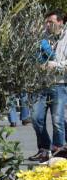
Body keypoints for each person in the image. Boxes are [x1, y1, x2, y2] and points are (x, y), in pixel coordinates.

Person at [32, 11, 67, 161]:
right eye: (46, 22)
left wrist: (54, 66)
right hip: (41, 84)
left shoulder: (65, 38)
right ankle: (44, 148)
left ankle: (58, 150)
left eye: (51, 22)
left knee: (57, 120)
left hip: (59, 84)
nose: (48, 25)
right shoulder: (42, 37)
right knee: (36, 118)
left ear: (60, 22)